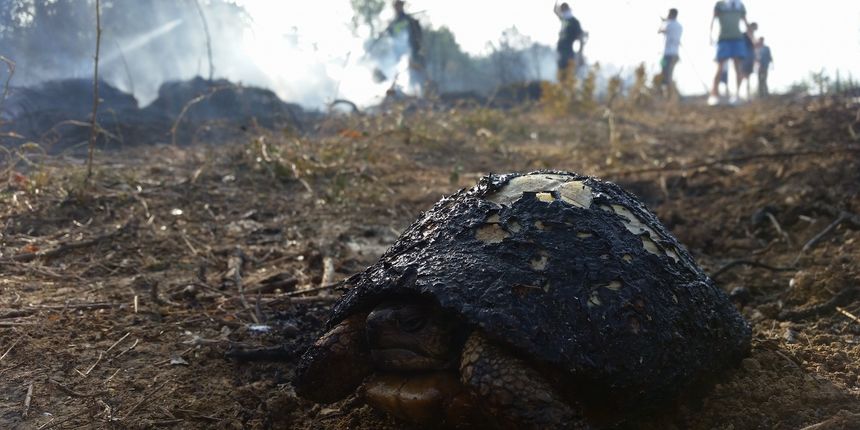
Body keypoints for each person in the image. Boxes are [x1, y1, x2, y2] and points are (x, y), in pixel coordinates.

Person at [708, 0, 751, 106]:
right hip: (723, 39)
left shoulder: (740, 5)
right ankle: (714, 95)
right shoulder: (719, 4)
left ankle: (737, 95)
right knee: (720, 67)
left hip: (737, 39)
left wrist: (753, 39)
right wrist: (710, 35)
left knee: (738, 68)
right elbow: (713, 19)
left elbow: (746, 22)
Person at [385, 1, 425, 94]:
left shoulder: (409, 20)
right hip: (398, 52)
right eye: (395, 6)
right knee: (398, 71)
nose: (397, 8)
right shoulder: (393, 22)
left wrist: (418, 46)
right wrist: (389, 29)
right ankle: (400, 91)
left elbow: (416, 34)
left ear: (402, 6)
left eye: (398, 6)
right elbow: (392, 36)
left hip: (410, 50)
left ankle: (419, 92)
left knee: (414, 72)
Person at [553, 1, 583, 83]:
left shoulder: (574, 22)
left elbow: (581, 39)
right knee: (561, 80)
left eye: (563, 10)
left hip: (568, 55)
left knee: (568, 80)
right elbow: (555, 11)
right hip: (561, 55)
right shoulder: (564, 20)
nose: (562, 12)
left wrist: (580, 55)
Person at [658, 8, 683, 99]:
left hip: (667, 55)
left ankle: (671, 96)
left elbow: (659, 31)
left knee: (666, 75)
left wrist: (663, 22)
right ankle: (668, 95)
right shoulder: (679, 26)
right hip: (675, 55)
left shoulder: (668, 24)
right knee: (667, 74)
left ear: (671, 14)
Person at [739, 22, 758, 99]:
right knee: (742, 75)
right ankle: (738, 93)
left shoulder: (753, 36)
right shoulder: (743, 35)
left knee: (748, 76)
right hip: (744, 57)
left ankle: (748, 95)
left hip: (751, 57)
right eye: (754, 28)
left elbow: (755, 45)